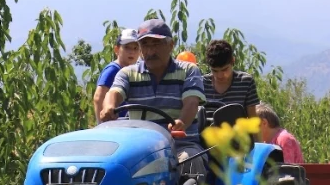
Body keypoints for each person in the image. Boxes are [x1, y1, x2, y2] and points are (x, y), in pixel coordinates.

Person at [100, 19, 208, 175]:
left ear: (170, 45)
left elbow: (191, 102)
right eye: (145, 45)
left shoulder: (188, 70)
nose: (150, 52)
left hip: (179, 145)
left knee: (189, 161)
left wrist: (182, 122)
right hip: (140, 150)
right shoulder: (128, 73)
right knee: (112, 167)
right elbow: (114, 92)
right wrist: (109, 107)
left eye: (156, 45)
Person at [203, 39, 260, 123]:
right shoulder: (201, 83)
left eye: (224, 69)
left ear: (233, 61)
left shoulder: (245, 82)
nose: (220, 75)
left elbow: (253, 120)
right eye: (215, 71)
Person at [92, 28, 140, 123]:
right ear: (117, 49)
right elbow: (98, 97)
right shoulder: (113, 70)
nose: (132, 52)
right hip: (115, 126)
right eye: (127, 47)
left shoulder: (134, 71)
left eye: (135, 48)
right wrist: (102, 125)